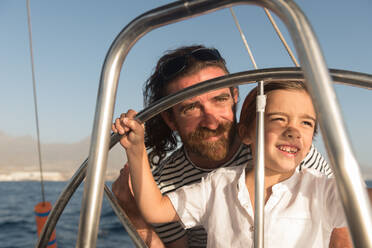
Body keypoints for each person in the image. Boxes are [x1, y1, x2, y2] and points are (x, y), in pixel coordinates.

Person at [112, 45, 350, 248]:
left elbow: (342, 231)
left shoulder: (290, 151)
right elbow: (156, 211)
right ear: (171, 119)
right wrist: (137, 220)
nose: (211, 120)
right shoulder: (168, 183)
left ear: (235, 96)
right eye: (191, 108)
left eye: (220, 99)